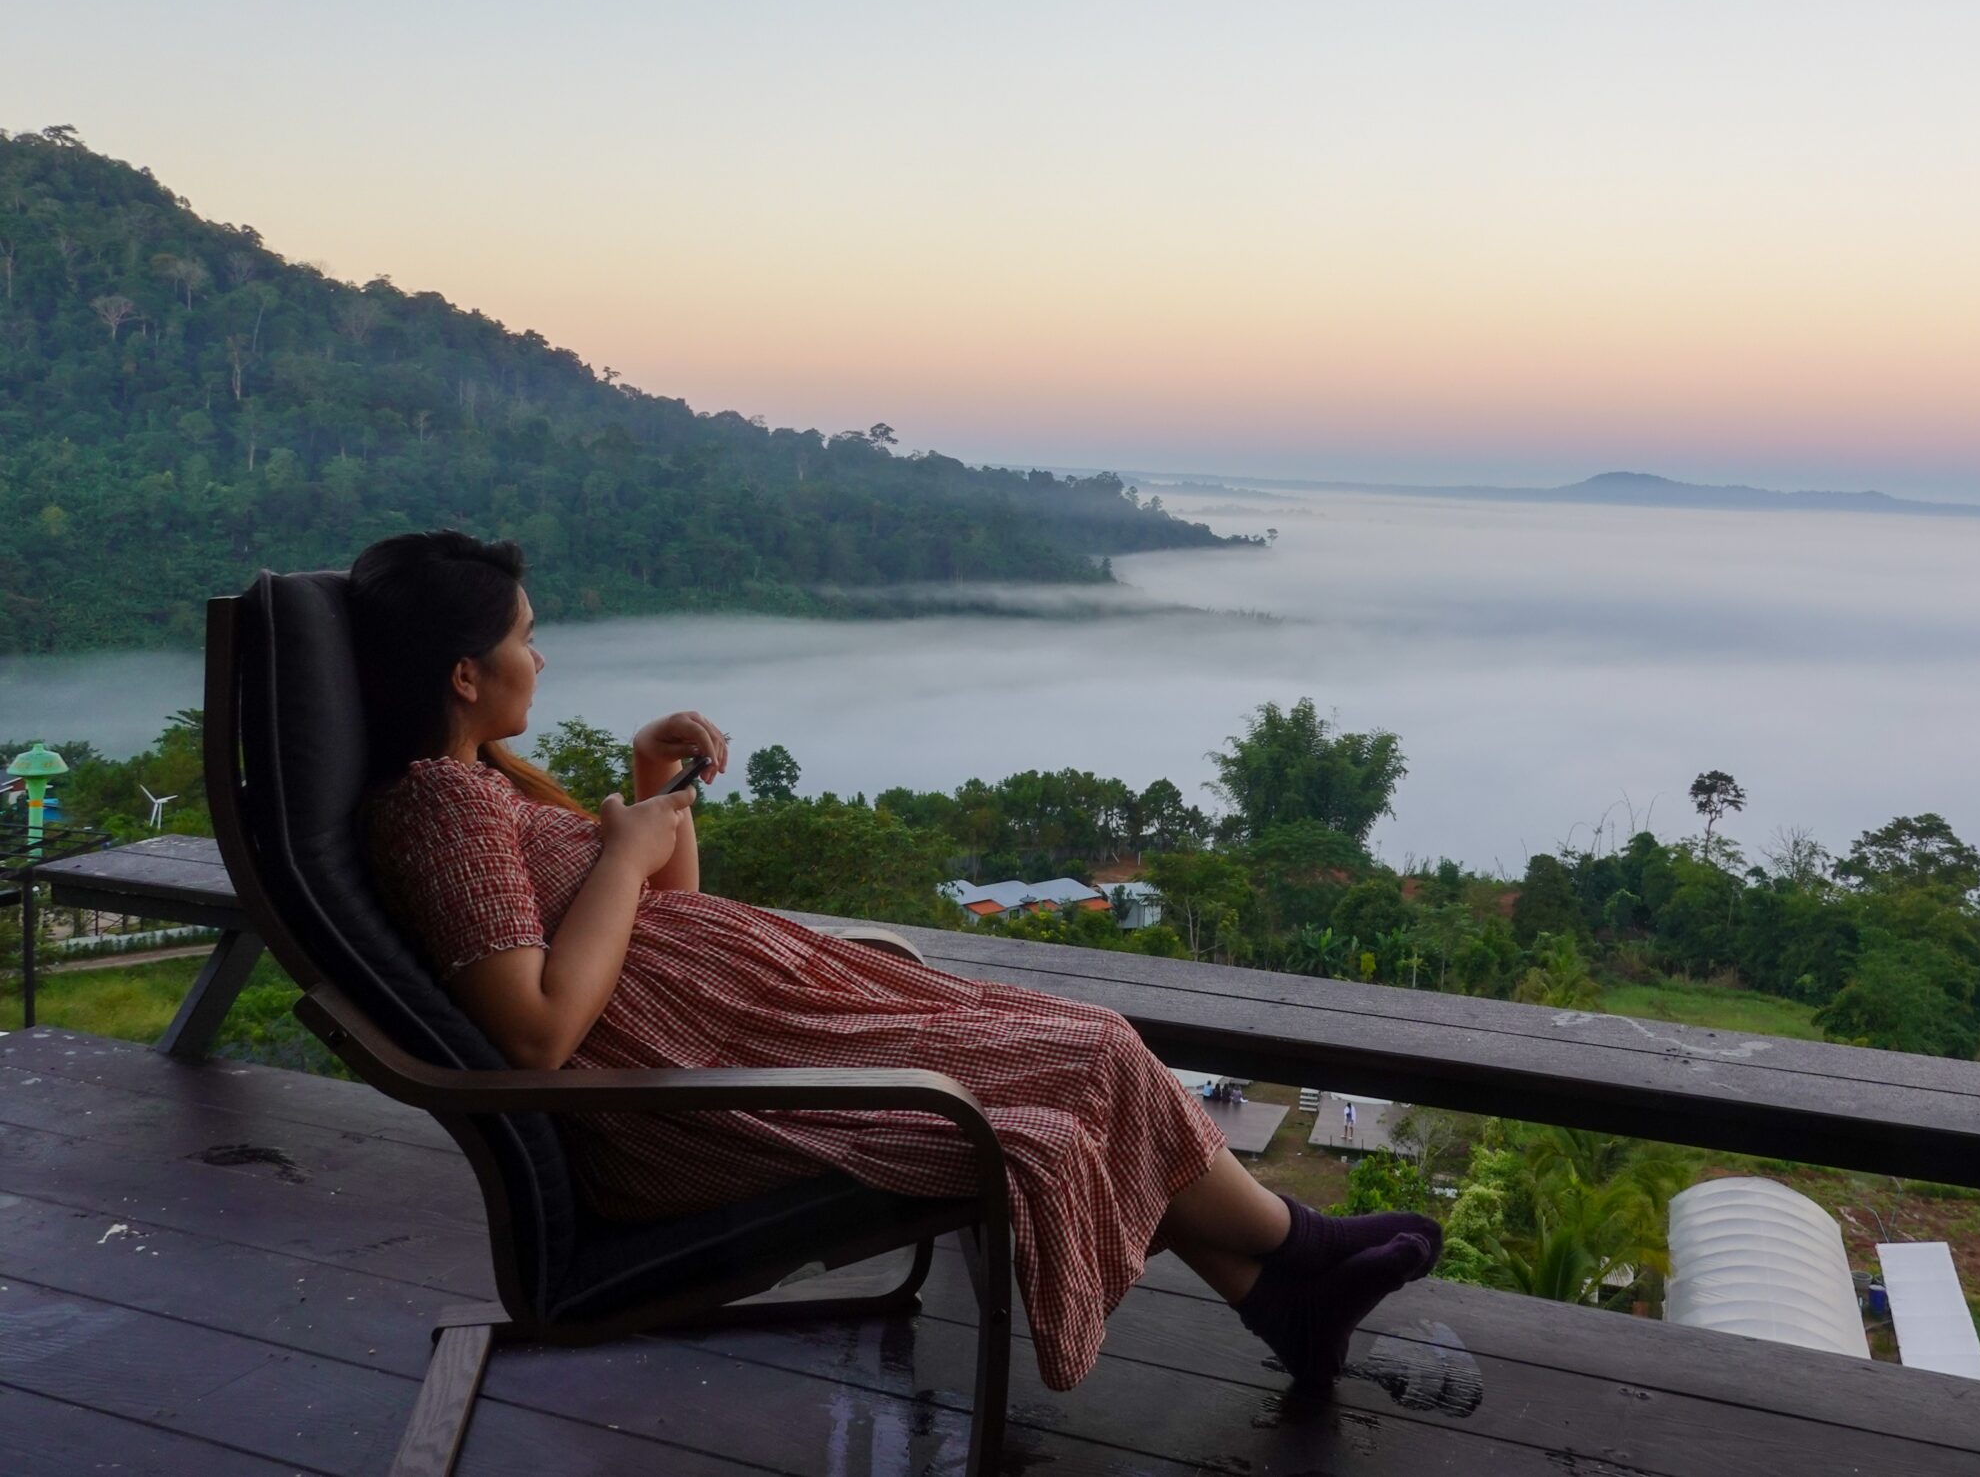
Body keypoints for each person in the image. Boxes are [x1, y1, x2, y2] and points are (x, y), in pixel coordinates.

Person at [347, 530, 1437, 1393]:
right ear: (464, 673)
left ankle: (1284, 1300)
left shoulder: (478, 784)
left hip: (746, 1033)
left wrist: (647, 791)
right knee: (1083, 1062)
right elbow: (539, 1035)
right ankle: (1300, 1248)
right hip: (693, 1100)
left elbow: (667, 922)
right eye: (527, 637)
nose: (540, 657)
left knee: (1082, 1050)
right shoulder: (439, 809)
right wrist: (624, 853)